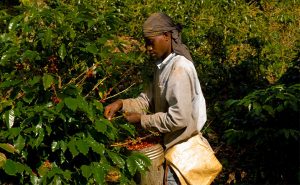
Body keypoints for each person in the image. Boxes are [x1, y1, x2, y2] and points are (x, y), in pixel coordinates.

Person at [104, 12, 207, 185]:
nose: (147, 48)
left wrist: (142, 120)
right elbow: (146, 100)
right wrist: (121, 104)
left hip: (181, 156)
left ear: (166, 36)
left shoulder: (179, 69)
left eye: (150, 42)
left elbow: (178, 118)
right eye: (146, 43)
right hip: (170, 151)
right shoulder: (163, 66)